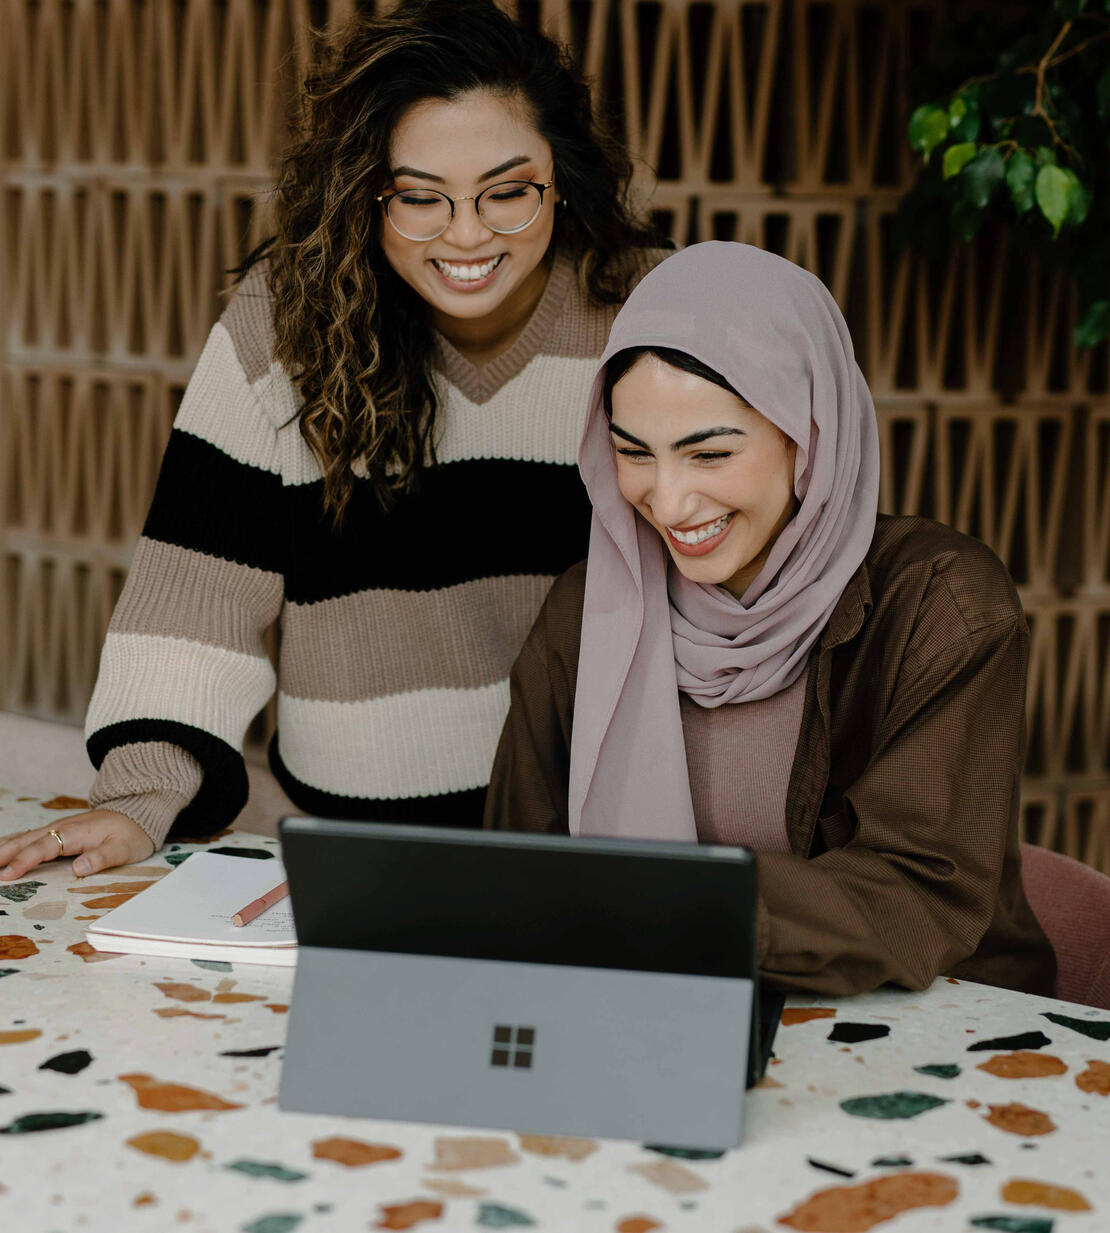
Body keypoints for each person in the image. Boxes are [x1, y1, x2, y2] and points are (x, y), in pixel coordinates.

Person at [0, 0, 665, 883]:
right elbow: (198, 591)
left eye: (507, 192)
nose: (466, 234)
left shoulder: (645, 313)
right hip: (348, 849)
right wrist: (138, 799)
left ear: (563, 177)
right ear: (366, 191)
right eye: (419, 197)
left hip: (592, 839)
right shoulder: (283, 324)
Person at [484, 241, 1056, 998]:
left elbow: (917, 891)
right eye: (634, 453)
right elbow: (514, 865)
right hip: (658, 1014)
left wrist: (663, 908)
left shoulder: (941, 607)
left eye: (709, 454)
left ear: (807, 432)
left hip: (925, 1029)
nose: (669, 500)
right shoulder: (588, 612)